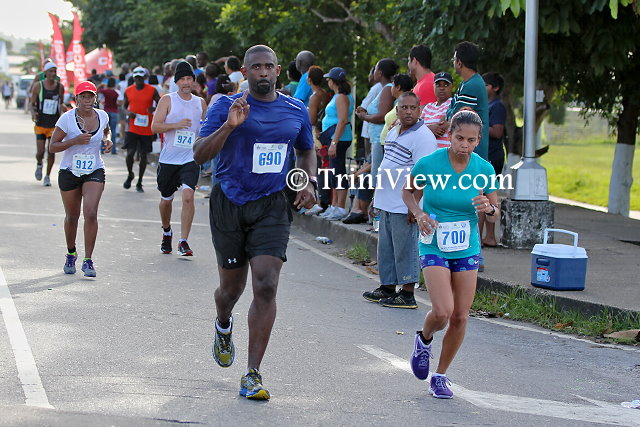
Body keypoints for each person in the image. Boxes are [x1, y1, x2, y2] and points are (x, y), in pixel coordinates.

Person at [193, 44, 316, 401]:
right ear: (245, 73)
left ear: (277, 70)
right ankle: (223, 323)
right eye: (256, 67)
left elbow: (306, 150)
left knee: (266, 284)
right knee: (230, 291)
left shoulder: (295, 109)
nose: (263, 72)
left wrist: (307, 180)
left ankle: (252, 374)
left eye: (269, 67)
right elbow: (199, 154)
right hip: (229, 201)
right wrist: (229, 127)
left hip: (273, 203)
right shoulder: (224, 105)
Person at [402, 110, 499, 399]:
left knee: (460, 316)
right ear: (450, 136)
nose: (464, 145)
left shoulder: (484, 170)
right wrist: (419, 213)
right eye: (459, 138)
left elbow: (495, 213)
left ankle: (440, 375)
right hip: (433, 241)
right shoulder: (430, 164)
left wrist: (489, 209)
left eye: (471, 140)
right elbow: (408, 192)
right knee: (442, 311)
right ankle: (424, 339)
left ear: (478, 140)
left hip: (466, 245)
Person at [362, 92, 438, 308]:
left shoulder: (424, 137)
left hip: (404, 204)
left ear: (419, 110)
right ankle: (387, 287)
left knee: (405, 249)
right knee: (386, 248)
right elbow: (386, 164)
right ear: (397, 110)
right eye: (404, 107)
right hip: (386, 200)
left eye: (413, 108)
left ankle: (407, 293)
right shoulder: (394, 131)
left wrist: (415, 207)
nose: (408, 112)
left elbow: (423, 175)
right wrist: (376, 197)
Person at [49, 81, 113, 277]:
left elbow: (106, 131)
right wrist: (74, 141)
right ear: (76, 99)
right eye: (83, 96)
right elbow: (52, 146)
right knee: (72, 216)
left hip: (94, 169)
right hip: (69, 171)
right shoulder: (67, 119)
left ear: (95, 98)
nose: (87, 100)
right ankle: (71, 253)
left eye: (90, 96)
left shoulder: (102, 115)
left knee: (91, 213)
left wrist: (107, 140)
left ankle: (88, 260)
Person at [151, 61, 207, 256]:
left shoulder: (200, 102)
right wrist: (175, 125)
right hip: (169, 159)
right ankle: (167, 232)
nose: (186, 82)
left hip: (190, 158)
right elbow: (155, 127)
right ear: (176, 82)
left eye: (189, 78)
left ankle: (184, 241)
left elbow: (206, 128)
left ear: (193, 81)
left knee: (188, 197)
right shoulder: (168, 100)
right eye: (182, 79)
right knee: (166, 201)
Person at [446, 41, 490, 270]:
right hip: (465, 153)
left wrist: (441, 124)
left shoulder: (472, 85)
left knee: (474, 200)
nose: (453, 62)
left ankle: (475, 252)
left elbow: (461, 117)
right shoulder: (468, 84)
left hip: (472, 154)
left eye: (454, 58)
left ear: (460, 62)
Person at [318, 67, 354, 221]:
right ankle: (335, 205)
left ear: (333, 81)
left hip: (339, 138)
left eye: (329, 79)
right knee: (334, 171)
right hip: (336, 138)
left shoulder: (340, 97)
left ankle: (340, 207)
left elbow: (343, 120)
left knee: (338, 171)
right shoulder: (341, 96)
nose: (327, 81)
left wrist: (334, 142)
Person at [356, 58, 398, 181]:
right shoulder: (385, 88)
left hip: (380, 139)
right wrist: (366, 112)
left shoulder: (387, 89)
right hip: (377, 139)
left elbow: (382, 116)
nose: (373, 72)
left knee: (377, 179)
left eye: (376, 69)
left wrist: (364, 117)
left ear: (380, 73)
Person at [123, 66, 160, 192]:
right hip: (133, 127)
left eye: (141, 78)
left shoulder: (152, 90)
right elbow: (124, 107)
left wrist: (154, 109)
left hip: (146, 129)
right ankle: (130, 174)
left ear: (145, 78)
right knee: (130, 154)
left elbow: (161, 104)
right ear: (134, 78)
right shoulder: (128, 90)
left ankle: (139, 182)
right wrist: (128, 113)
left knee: (144, 155)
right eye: (137, 78)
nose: (139, 80)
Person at [482, 72, 507, 247]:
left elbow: (497, 132)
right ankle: (489, 237)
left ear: (495, 88)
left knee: (487, 196)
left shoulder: (497, 106)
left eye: (486, 85)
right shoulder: (487, 105)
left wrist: (477, 125)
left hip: (493, 156)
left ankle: (489, 236)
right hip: (487, 156)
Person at [31, 62, 64, 187]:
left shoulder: (59, 87)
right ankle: (39, 164)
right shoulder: (38, 86)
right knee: (40, 152)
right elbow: (32, 103)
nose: (53, 74)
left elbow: (61, 102)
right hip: (41, 123)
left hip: (54, 124)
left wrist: (63, 110)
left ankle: (47, 176)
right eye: (50, 71)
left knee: (51, 151)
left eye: (55, 71)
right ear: (45, 73)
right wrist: (33, 113)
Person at [421, 72, 454, 148]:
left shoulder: (453, 104)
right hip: (426, 151)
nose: (442, 88)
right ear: (433, 86)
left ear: (452, 87)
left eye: (446, 85)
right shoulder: (428, 107)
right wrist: (430, 128)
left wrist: (425, 129)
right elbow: (417, 128)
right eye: (438, 85)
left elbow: (440, 129)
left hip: (443, 152)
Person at [358, 67, 383, 158]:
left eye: (371, 73)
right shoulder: (382, 87)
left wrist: (361, 113)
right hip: (374, 128)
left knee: (369, 157)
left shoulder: (376, 88)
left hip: (372, 129)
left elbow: (363, 107)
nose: (369, 76)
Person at [98, 77, 120, 154]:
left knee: (104, 130)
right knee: (113, 131)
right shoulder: (116, 92)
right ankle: (113, 150)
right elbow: (119, 103)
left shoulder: (105, 91)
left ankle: (102, 148)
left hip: (106, 111)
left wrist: (101, 85)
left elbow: (97, 90)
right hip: (114, 111)